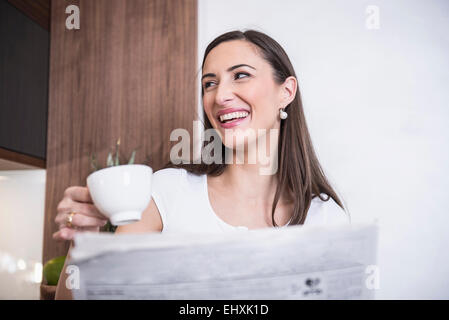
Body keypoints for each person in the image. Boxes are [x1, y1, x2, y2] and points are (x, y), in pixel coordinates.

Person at [53, 30, 349, 299]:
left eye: (241, 75)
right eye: (210, 83)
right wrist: (82, 243)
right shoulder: (165, 191)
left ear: (286, 92)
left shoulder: (325, 219)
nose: (219, 96)